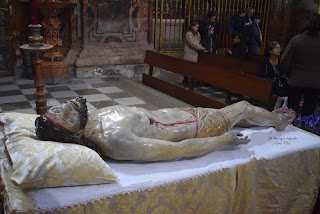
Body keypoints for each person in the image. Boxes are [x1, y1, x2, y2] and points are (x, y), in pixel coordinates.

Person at [35, 97, 296, 162]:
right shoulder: (114, 140)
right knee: (244, 108)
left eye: (57, 108)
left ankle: (270, 119)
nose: (63, 106)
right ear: (68, 131)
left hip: (187, 114)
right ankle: (279, 121)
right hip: (199, 126)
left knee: (238, 115)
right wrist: (223, 140)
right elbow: (179, 149)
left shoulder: (93, 115)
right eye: (60, 115)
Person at [280, 13, 320, 116]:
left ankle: (290, 128)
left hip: (295, 80)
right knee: (309, 111)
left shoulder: (296, 40)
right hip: (315, 82)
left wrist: (288, 72)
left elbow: (284, 60)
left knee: (291, 112)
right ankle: (305, 127)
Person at [257, 41, 288, 110]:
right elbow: (260, 75)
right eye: (276, 48)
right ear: (270, 51)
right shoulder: (264, 61)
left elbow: (283, 74)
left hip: (279, 85)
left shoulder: (281, 61)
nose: (279, 49)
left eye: (279, 48)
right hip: (267, 85)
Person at [183, 20, 206, 86]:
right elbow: (192, 44)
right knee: (188, 68)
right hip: (189, 54)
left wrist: (198, 36)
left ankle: (191, 82)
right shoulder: (188, 34)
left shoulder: (196, 33)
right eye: (196, 27)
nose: (197, 28)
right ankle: (186, 81)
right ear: (192, 26)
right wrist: (201, 48)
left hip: (195, 54)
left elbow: (198, 42)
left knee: (192, 69)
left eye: (198, 27)